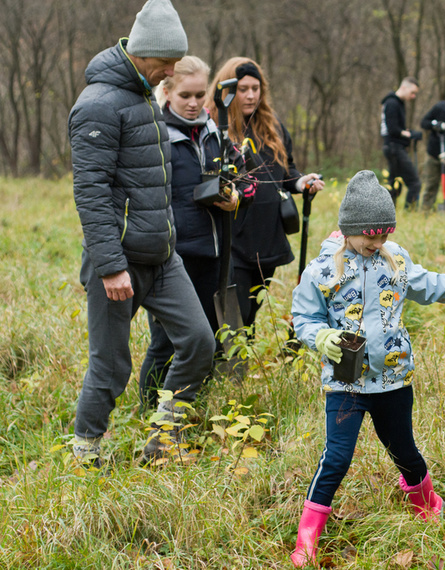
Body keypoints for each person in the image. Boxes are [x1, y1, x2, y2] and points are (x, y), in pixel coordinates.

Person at [289, 170, 445, 566]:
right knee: (336, 458)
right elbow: (304, 317)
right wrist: (320, 337)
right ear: (350, 229)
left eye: (384, 234)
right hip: (347, 383)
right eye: (370, 235)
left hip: (392, 380)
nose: (377, 242)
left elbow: (431, 284)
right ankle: (308, 536)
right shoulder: (323, 270)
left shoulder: (395, 259)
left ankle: (428, 506)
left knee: (404, 450)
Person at [67, 0, 216, 467]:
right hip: (118, 263)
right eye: (166, 62)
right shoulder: (98, 105)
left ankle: (164, 434)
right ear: (142, 53)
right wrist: (110, 266)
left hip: (162, 257)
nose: (171, 71)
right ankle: (85, 452)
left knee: (199, 341)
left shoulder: (143, 99)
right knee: (110, 366)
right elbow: (91, 193)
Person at [137, 56, 257, 409]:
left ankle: (189, 404)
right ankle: (150, 409)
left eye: (199, 95)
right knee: (165, 343)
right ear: (167, 92)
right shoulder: (155, 136)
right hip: (171, 258)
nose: (193, 104)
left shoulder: (215, 135)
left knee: (208, 337)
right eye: (185, 95)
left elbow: (248, 180)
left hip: (214, 255)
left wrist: (235, 197)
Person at [207, 57, 324, 332]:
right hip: (233, 238)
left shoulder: (272, 126)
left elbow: (286, 171)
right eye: (243, 88)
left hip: (267, 236)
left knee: (251, 311)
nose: (250, 95)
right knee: (234, 312)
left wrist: (300, 183)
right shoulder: (215, 127)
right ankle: (225, 367)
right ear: (226, 90)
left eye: (255, 88)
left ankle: (241, 364)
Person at [381, 77, 422, 209]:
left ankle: (386, 213)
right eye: (412, 92)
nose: (413, 96)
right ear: (404, 87)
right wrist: (409, 134)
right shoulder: (392, 103)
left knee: (394, 185)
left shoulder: (396, 103)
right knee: (414, 183)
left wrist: (406, 133)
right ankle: (410, 212)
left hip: (393, 147)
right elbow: (393, 129)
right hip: (394, 148)